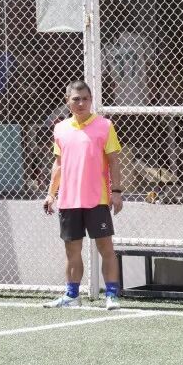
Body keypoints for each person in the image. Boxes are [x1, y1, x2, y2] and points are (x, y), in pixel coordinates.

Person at [42, 81, 124, 311]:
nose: (81, 103)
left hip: (97, 200)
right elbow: (58, 164)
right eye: (76, 99)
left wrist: (117, 192)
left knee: (106, 249)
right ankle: (72, 296)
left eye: (85, 99)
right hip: (69, 201)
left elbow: (114, 161)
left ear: (91, 100)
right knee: (72, 251)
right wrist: (51, 194)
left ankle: (111, 296)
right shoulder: (60, 129)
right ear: (67, 101)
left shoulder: (105, 126)